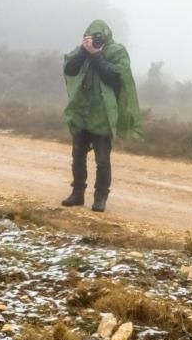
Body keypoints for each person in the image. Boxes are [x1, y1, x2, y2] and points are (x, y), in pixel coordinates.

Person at [60, 20, 142, 213]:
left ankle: (100, 197)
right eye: (91, 37)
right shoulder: (82, 51)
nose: (95, 41)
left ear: (106, 37)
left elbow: (113, 78)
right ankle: (77, 194)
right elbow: (69, 70)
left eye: (98, 38)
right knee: (78, 155)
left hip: (103, 114)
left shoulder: (116, 52)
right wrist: (83, 51)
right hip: (81, 110)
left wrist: (96, 56)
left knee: (102, 159)